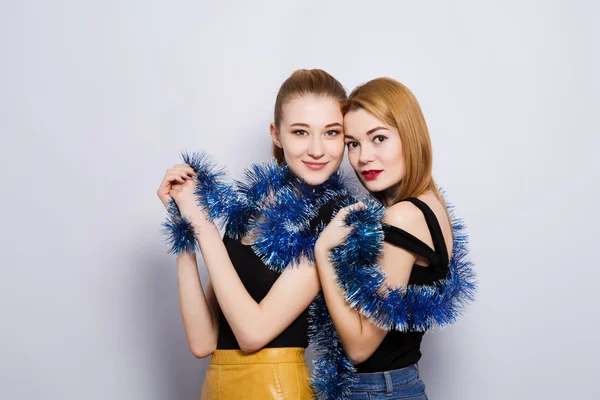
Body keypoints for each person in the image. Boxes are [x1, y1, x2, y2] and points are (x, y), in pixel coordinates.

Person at [157, 69, 347, 399]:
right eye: (301, 132)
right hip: (218, 388)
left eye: (331, 133)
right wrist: (183, 225)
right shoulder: (251, 209)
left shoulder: (335, 217)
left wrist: (203, 224)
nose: (317, 149)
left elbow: (253, 333)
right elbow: (203, 341)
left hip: (276, 390)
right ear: (277, 134)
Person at [313, 77, 475, 400]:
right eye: (353, 144)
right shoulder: (431, 202)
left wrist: (322, 251)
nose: (363, 158)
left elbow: (360, 347)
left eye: (379, 139)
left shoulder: (403, 216)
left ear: (409, 137)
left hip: (376, 391)